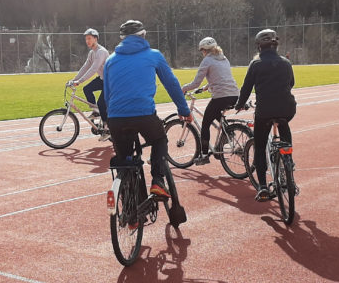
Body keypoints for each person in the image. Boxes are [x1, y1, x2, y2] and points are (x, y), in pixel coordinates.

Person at [104, 20, 192, 198]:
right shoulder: (154, 55)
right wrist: (184, 110)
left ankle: (129, 205)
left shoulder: (110, 60)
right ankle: (158, 181)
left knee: (124, 161)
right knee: (159, 140)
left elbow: (107, 95)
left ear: (122, 39)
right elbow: (171, 84)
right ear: (143, 35)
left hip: (116, 118)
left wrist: (109, 119)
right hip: (144, 114)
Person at [235, 29, 296, 202]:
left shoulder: (256, 64)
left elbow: (246, 88)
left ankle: (262, 186)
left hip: (265, 111)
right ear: (276, 45)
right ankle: (288, 159)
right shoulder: (286, 63)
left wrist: (239, 105)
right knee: (283, 124)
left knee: (260, 146)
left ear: (259, 46)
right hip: (287, 108)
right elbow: (291, 83)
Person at [181, 36, 239, 165]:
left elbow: (196, 82)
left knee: (206, 123)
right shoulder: (224, 58)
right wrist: (206, 87)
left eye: (202, 50)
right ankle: (228, 133)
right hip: (234, 94)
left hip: (221, 96)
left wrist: (183, 88)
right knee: (216, 112)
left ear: (204, 50)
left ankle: (204, 155)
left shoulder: (207, 60)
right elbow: (221, 77)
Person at [68, 28, 109, 133]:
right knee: (87, 89)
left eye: (89, 38)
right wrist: (74, 80)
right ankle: (96, 111)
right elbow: (85, 67)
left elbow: (93, 69)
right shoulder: (92, 53)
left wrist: (80, 81)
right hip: (102, 79)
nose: (87, 41)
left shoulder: (101, 52)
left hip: (110, 81)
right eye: (86, 39)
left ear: (95, 39)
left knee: (101, 103)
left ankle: (107, 127)